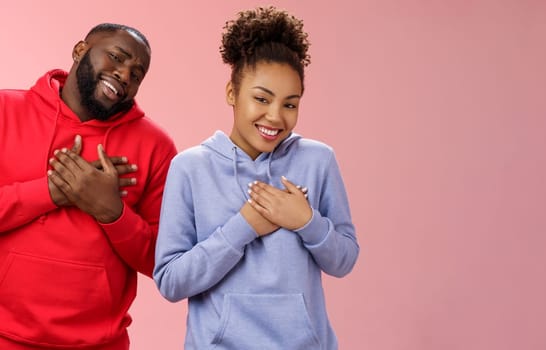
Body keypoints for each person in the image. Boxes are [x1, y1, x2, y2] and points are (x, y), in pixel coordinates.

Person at [153, 6, 359, 350]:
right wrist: (244, 226)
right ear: (232, 94)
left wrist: (305, 221)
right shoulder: (190, 168)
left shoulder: (318, 160)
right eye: (261, 99)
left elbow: (344, 260)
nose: (275, 116)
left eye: (290, 104)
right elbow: (171, 281)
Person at [0, 23, 177, 349]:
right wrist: (52, 192)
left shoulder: (156, 147)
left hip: (98, 344)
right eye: (116, 57)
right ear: (80, 50)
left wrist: (112, 212)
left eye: (137, 74)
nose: (125, 75)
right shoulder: (5, 111)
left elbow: (163, 262)